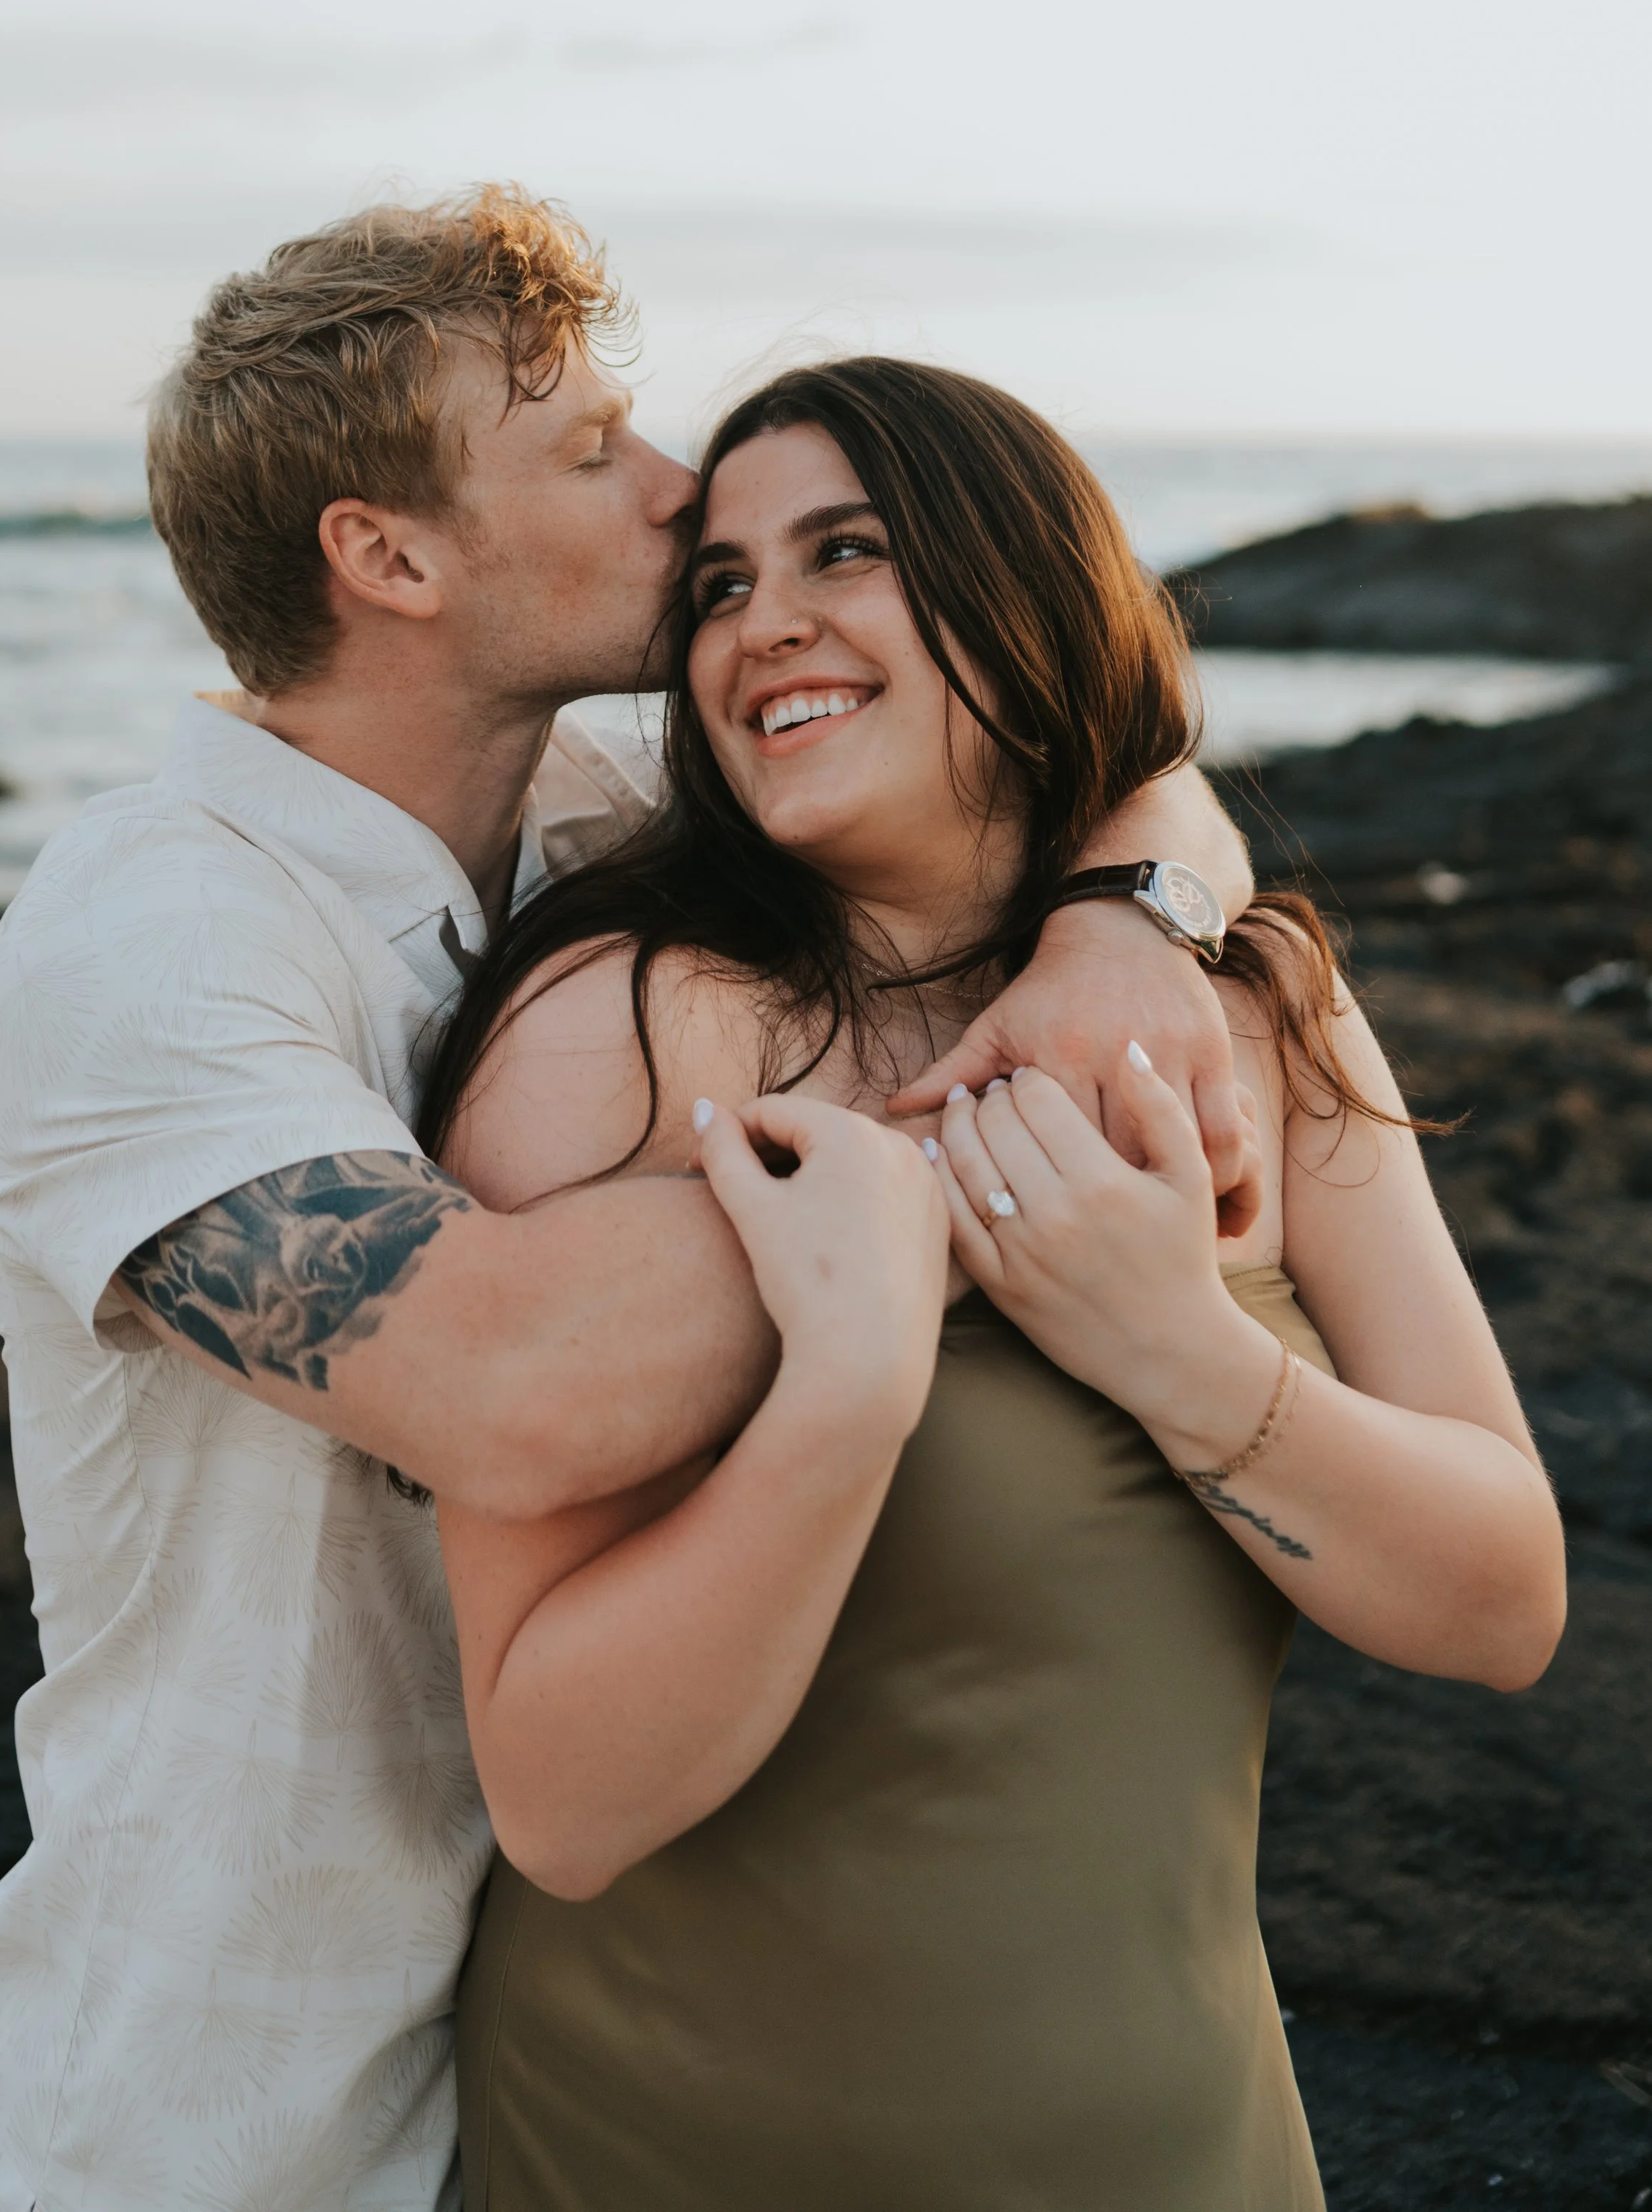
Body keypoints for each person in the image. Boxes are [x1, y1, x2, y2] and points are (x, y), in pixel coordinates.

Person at [0, 194, 1257, 2212]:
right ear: (384, 557)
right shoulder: (149, 947)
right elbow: (512, 1386)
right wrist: (1007, 1124)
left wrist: (1124, 923)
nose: (675, 498)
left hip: (577, 2034)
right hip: (219, 2098)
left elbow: (1105, 761)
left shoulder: (578, 829)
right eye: (589, 455)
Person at [422, 357, 1567, 2212]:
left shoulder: (1246, 1015)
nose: (762, 622)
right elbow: (557, 1800)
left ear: (1017, 580)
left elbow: (1503, 1599)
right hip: (662, 2156)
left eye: (844, 550)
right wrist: (848, 1393)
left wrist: (1178, 1355)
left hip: (1174, 2150)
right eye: (716, 583)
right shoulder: (617, 1032)